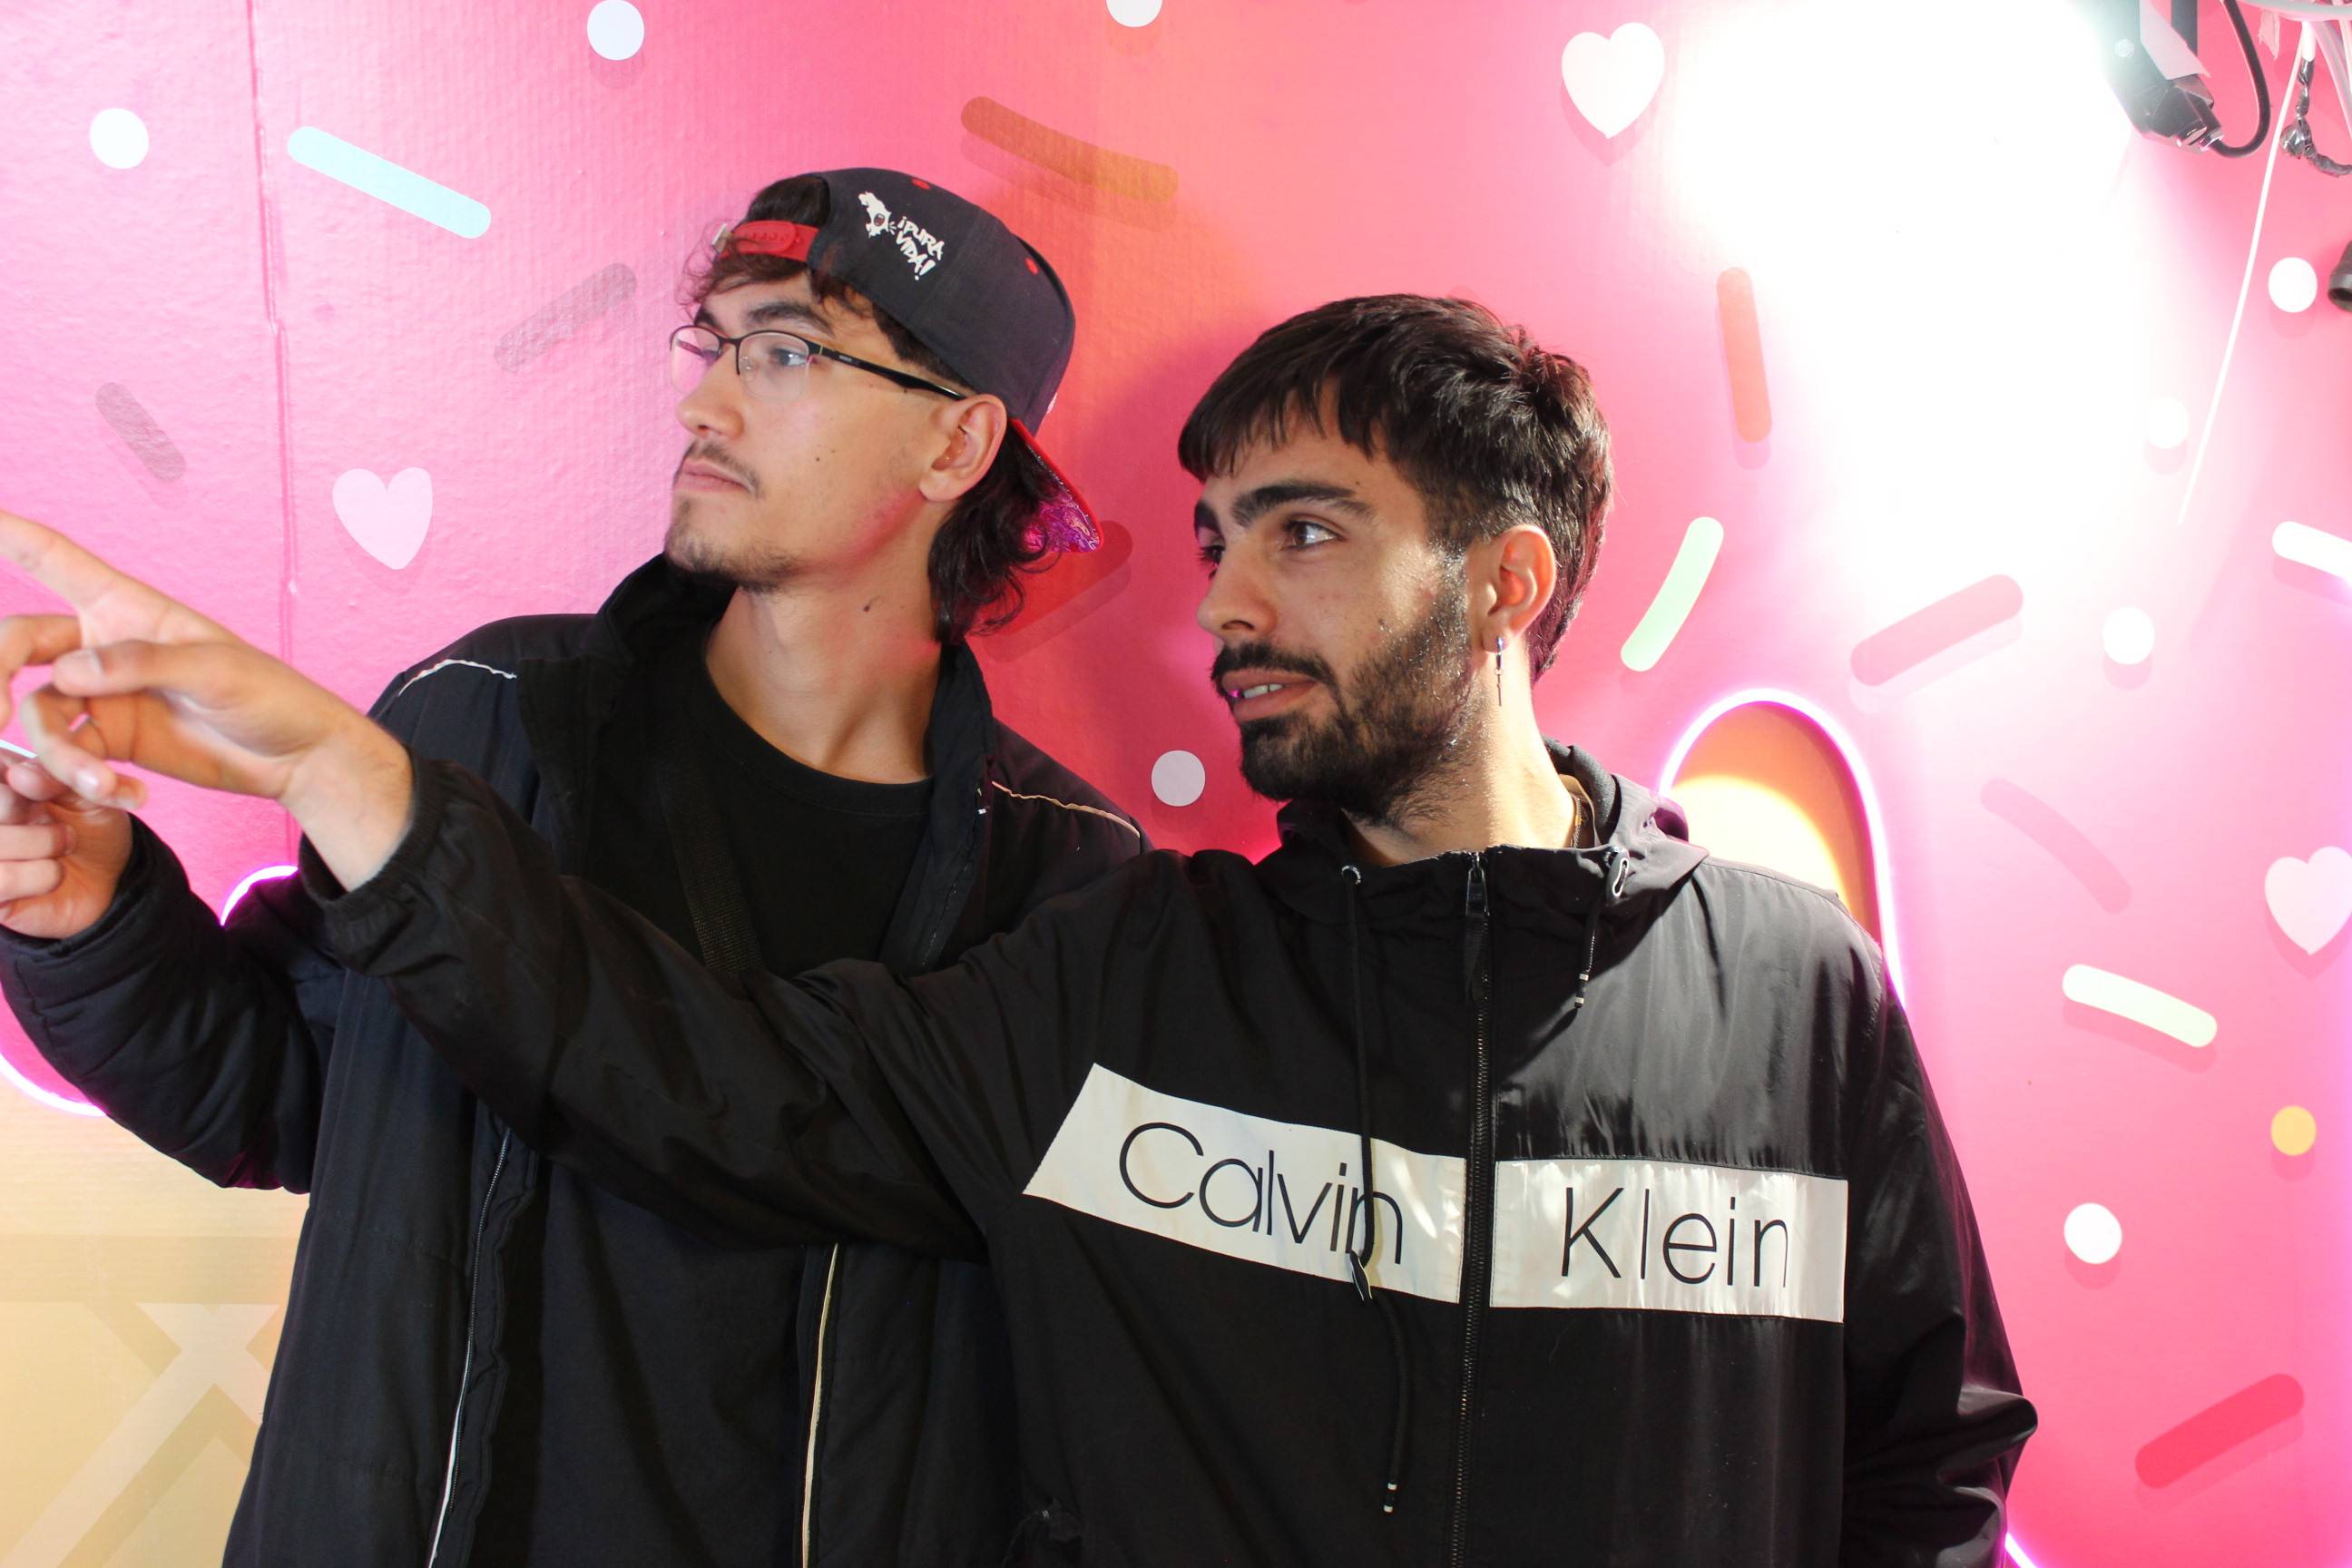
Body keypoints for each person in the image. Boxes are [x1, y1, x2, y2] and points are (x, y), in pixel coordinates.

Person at [0, 294, 2033, 1565]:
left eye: (1305, 531)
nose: (1227, 604)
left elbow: (1928, 1464)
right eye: (1218, 538)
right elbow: (708, 1080)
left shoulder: (1799, 997)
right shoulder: (1133, 969)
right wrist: (334, 783)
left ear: (1503, 584)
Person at [0, 169, 1144, 1568]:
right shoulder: (486, 718)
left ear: (957, 441)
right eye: (713, 344)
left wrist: (351, 785)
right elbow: (284, 1090)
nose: (705, 402)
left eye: (787, 354)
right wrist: (91, 921)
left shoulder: (1071, 882)